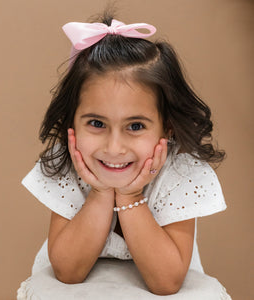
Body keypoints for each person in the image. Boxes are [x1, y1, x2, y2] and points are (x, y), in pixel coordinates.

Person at [18, 13, 231, 298]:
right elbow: (68, 272)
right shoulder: (69, 163)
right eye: (96, 124)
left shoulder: (181, 171)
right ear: (72, 124)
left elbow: (165, 282)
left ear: (166, 130)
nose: (114, 147)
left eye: (135, 126)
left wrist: (130, 196)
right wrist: (101, 191)